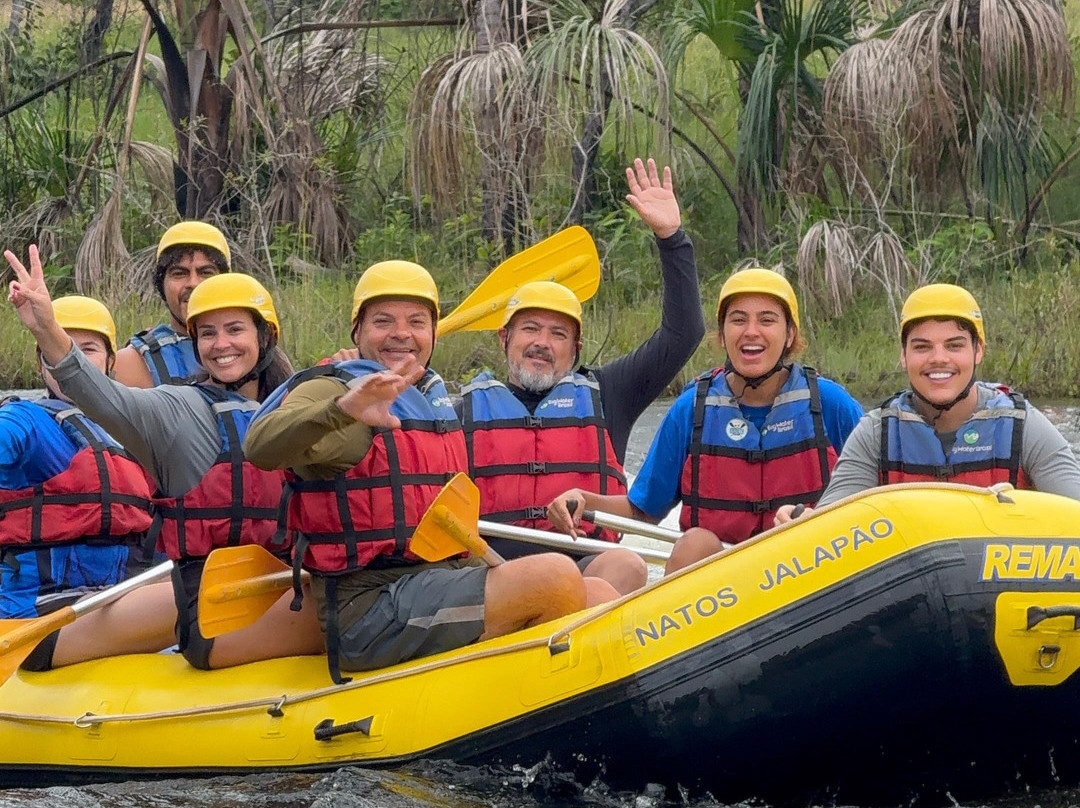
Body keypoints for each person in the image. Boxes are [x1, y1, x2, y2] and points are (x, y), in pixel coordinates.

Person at [244, 260, 590, 682]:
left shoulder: (428, 395)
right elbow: (261, 446)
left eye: (416, 322)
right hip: (369, 610)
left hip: (436, 580)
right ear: (358, 332)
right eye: (383, 320)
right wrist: (342, 410)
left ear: (432, 334)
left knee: (601, 593)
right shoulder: (334, 388)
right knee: (554, 578)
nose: (401, 333)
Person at [4, 245, 322, 671]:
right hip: (183, 609)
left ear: (264, 337)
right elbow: (101, 395)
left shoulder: (294, 411)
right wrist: (46, 327)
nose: (221, 344)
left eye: (234, 330)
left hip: (240, 589)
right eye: (207, 334)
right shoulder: (173, 410)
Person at [456, 157, 705, 594]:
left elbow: (683, 333)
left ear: (576, 349)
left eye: (558, 334)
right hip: (491, 574)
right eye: (530, 329)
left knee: (626, 564)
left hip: (586, 569)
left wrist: (671, 239)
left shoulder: (611, 393)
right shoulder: (459, 409)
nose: (542, 343)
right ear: (503, 338)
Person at [548, 267, 864, 573]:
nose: (751, 331)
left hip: (813, 566)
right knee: (695, 542)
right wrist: (583, 499)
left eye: (767, 320)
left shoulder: (830, 403)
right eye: (738, 320)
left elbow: (878, 495)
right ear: (723, 335)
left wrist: (821, 518)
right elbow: (642, 510)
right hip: (721, 585)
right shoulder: (691, 408)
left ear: (790, 334)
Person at [775, 283, 1080, 522]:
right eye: (922, 347)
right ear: (904, 356)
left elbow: (1073, 512)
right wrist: (801, 519)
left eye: (954, 345)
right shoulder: (877, 432)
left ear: (978, 352)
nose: (938, 359)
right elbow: (829, 523)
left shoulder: (1023, 426)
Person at [0, 296, 154, 619]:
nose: (69, 361)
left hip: (114, 605)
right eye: (56, 348)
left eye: (87, 350)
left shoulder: (133, 432)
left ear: (111, 361)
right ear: (41, 362)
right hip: (32, 618)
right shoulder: (25, 421)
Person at [112, 221, 230, 388]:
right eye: (179, 273)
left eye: (206, 273)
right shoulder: (132, 364)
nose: (193, 283)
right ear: (162, 285)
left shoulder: (253, 352)